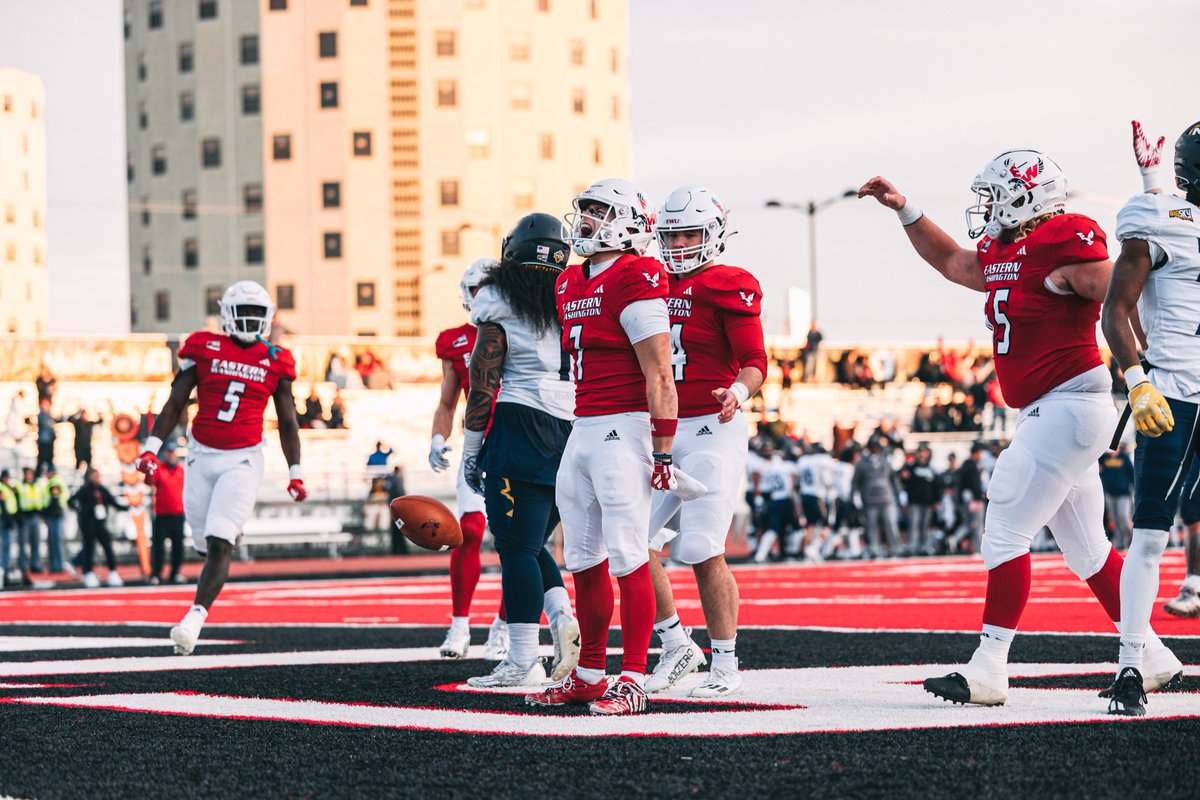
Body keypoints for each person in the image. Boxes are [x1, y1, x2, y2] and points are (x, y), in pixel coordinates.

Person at [859, 147, 1181, 709]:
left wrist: (1146, 368)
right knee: (1088, 551)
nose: (986, 206)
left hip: (1070, 404)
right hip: (1050, 410)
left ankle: (988, 666)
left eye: (995, 194)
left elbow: (1125, 299)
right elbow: (956, 264)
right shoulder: (1008, 248)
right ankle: (1150, 652)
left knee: (1005, 522)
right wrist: (905, 209)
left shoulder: (1067, 239)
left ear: (1026, 192)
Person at [524, 178, 677, 717]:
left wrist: (662, 451)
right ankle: (590, 672)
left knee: (629, 554)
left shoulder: (637, 274)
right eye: (584, 209)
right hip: (584, 426)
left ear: (627, 221)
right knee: (582, 558)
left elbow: (660, 372)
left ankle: (632, 677)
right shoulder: (569, 281)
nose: (584, 219)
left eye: (596, 211)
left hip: (625, 426)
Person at [638, 186, 766, 697]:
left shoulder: (728, 283)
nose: (680, 244)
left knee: (700, 547)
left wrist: (738, 389)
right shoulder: (646, 281)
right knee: (627, 542)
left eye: (689, 233)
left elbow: (756, 360)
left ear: (713, 233)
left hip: (713, 425)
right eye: (671, 235)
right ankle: (674, 643)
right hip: (661, 429)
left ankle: (726, 665)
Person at [134, 280, 306, 655]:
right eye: (242, 312)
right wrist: (150, 448)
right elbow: (175, 401)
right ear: (227, 315)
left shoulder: (277, 359)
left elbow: (288, 420)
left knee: (219, 540)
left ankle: (193, 620)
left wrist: (295, 470)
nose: (248, 320)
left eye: (255, 314)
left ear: (267, 318)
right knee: (202, 541)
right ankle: (221, 544)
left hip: (244, 457)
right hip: (200, 455)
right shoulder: (203, 346)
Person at [1099, 120, 1200, 714]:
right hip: (1175, 394)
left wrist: (1153, 178)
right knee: (1152, 534)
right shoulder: (1161, 223)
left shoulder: (1165, 213)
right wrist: (1137, 383)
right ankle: (1132, 664)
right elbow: (1117, 308)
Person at [459, 213, 581, 688]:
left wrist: (472, 447)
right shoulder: (578, 292)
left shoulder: (499, 300)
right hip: (573, 427)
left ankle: (523, 659)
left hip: (521, 424)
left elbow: (483, 379)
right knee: (530, 545)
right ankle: (560, 617)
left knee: (513, 549)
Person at [427, 259, 508, 661]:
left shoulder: (522, 332)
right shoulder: (454, 340)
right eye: (478, 290)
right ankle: (459, 624)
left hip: (516, 445)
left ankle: (504, 626)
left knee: (518, 542)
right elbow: (446, 400)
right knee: (471, 531)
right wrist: (438, 436)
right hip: (477, 447)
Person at [69, 468, 126, 588]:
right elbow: (71, 501)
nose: (97, 478)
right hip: (88, 523)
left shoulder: (102, 490)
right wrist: (81, 511)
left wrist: (128, 507)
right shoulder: (84, 490)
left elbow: (113, 502)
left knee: (107, 547)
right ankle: (88, 573)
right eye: (95, 476)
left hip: (100, 523)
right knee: (89, 548)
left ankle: (112, 572)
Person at [749, 441, 797, 562]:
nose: (768, 451)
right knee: (764, 525)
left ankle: (771, 552)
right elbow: (756, 482)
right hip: (769, 497)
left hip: (773, 497)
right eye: (766, 449)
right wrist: (758, 498)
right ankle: (792, 552)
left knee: (775, 527)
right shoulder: (761, 463)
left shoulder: (775, 464)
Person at [853, 437, 900, 557]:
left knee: (890, 523)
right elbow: (856, 481)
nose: (875, 449)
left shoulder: (884, 461)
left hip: (886, 497)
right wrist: (855, 494)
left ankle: (895, 548)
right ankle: (874, 548)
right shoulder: (862, 463)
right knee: (872, 525)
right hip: (870, 499)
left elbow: (893, 478)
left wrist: (897, 493)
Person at [148, 442, 186, 584]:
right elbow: (150, 482)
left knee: (178, 545)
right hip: (162, 513)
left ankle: (175, 573)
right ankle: (156, 573)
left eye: (172, 452)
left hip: (178, 513)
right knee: (158, 546)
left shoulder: (181, 470)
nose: (171, 455)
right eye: (169, 452)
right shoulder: (159, 469)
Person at [900, 445, 938, 556]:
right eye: (920, 452)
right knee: (914, 524)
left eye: (924, 452)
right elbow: (904, 481)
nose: (922, 455)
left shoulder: (931, 468)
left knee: (925, 525)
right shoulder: (911, 467)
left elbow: (936, 486)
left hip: (928, 502)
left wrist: (936, 500)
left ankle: (925, 547)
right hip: (914, 501)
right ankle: (913, 546)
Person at [1099, 444, 1135, 550]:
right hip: (1109, 493)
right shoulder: (1104, 458)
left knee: (1123, 516)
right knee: (1114, 519)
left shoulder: (1124, 457)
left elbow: (1131, 473)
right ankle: (1119, 541)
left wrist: (1134, 490)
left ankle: (1129, 539)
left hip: (1123, 494)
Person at [14, 466, 44, 576]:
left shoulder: (36, 486)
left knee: (35, 542)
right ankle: (23, 566)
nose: (28, 476)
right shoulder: (20, 486)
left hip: (35, 515)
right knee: (23, 543)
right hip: (24, 516)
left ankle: (35, 565)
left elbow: (40, 499)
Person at [41, 465, 69, 574]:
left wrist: (46, 512)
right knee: (54, 541)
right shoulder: (55, 481)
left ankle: (57, 565)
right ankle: (56, 565)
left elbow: (54, 500)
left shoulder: (54, 483)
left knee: (55, 541)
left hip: (55, 515)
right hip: (55, 514)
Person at [384, 466, 409, 555]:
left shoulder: (390, 480)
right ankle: (402, 550)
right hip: (398, 510)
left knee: (395, 530)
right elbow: (401, 494)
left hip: (393, 509)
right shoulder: (397, 480)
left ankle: (395, 549)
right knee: (400, 529)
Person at [0, 471, 16, 585]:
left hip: (6, 518)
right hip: (3, 518)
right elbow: (3, 502)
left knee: (7, 545)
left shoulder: (7, 487)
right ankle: (4, 570)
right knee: (6, 545)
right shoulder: (2, 487)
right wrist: (7, 518)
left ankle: (5, 569)